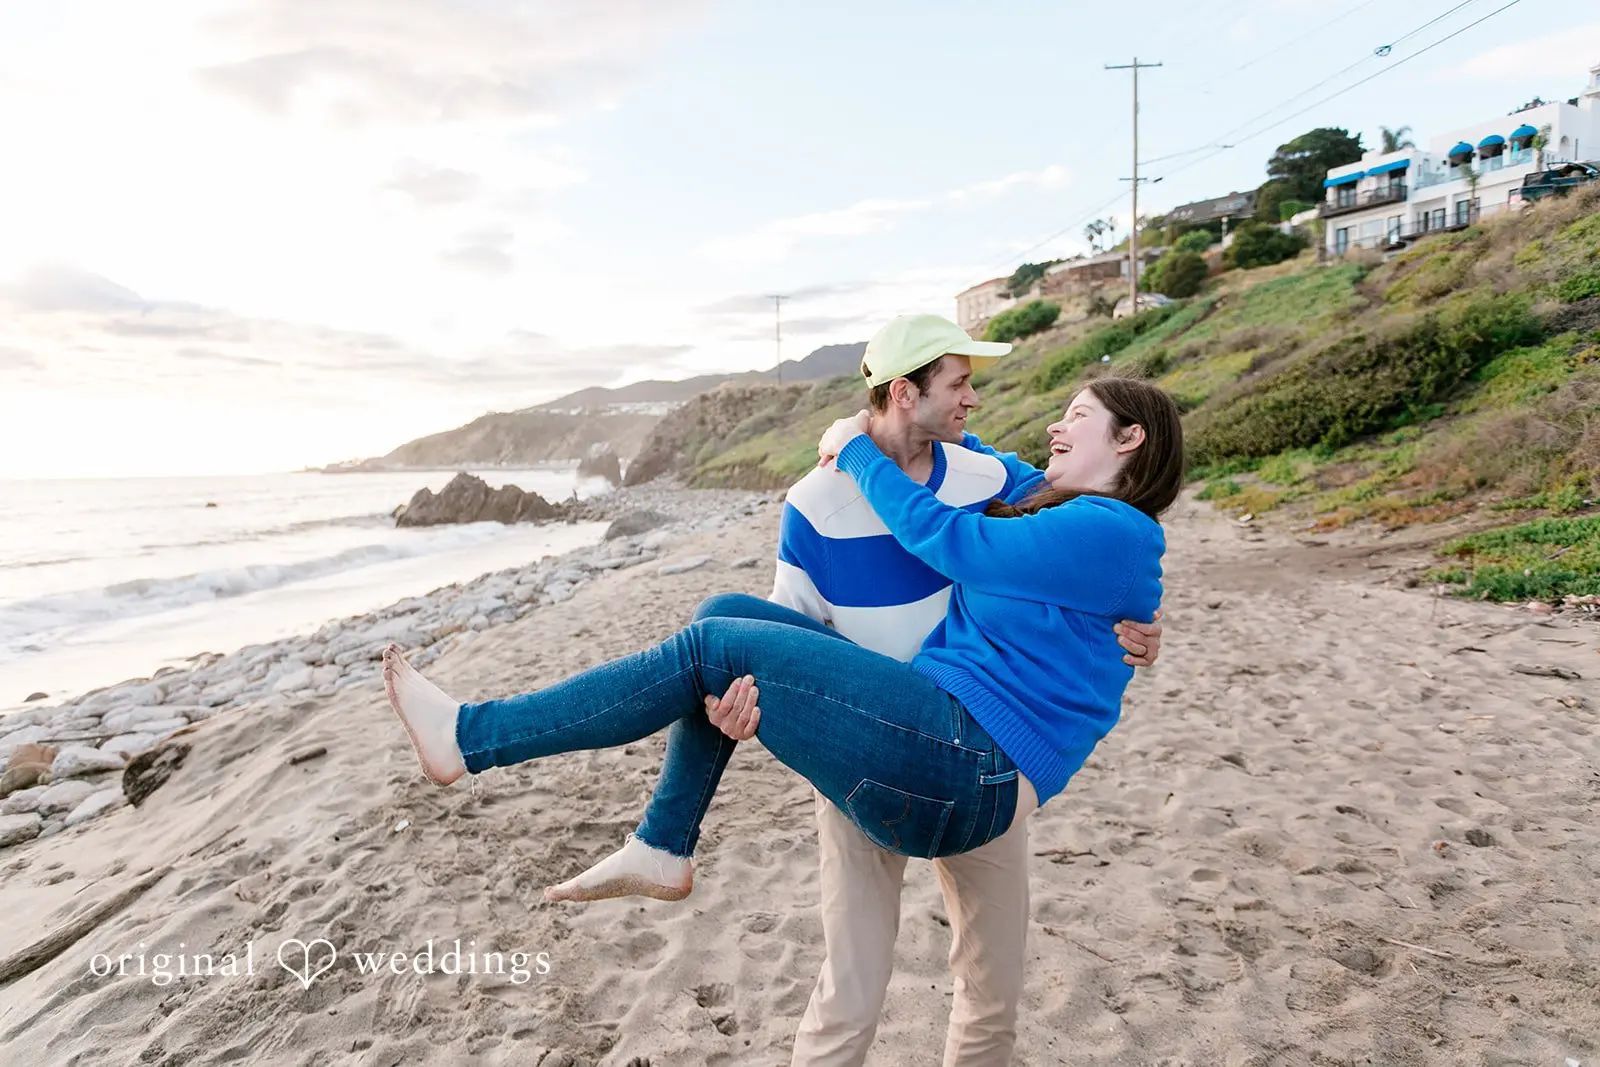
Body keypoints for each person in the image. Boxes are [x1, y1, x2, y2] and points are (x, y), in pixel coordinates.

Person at [381, 373, 1184, 968]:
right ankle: (665, 841)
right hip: (946, 739)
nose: (1054, 425)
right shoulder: (1056, 503)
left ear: (1129, 439)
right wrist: (893, 436)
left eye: (1077, 416)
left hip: (969, 761)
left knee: (708, 647)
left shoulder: (1111, 528)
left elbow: (954, 543)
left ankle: (471, 738)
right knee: (721, 615)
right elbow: (979, 461)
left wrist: (861, 455)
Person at [534, 314, 1163, 1067]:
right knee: (850, 990)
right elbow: (788, 641)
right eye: (961, 383)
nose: (976, 399)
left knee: (991, 989)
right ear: (906, 392)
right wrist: (734, 716)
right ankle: (658, 838)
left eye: (970, 383)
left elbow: (1100, 532)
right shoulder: (814, 501)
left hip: (974, 747)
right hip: (864, 743)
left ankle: (624, 822)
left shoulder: (993, 479)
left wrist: (1139, 620)